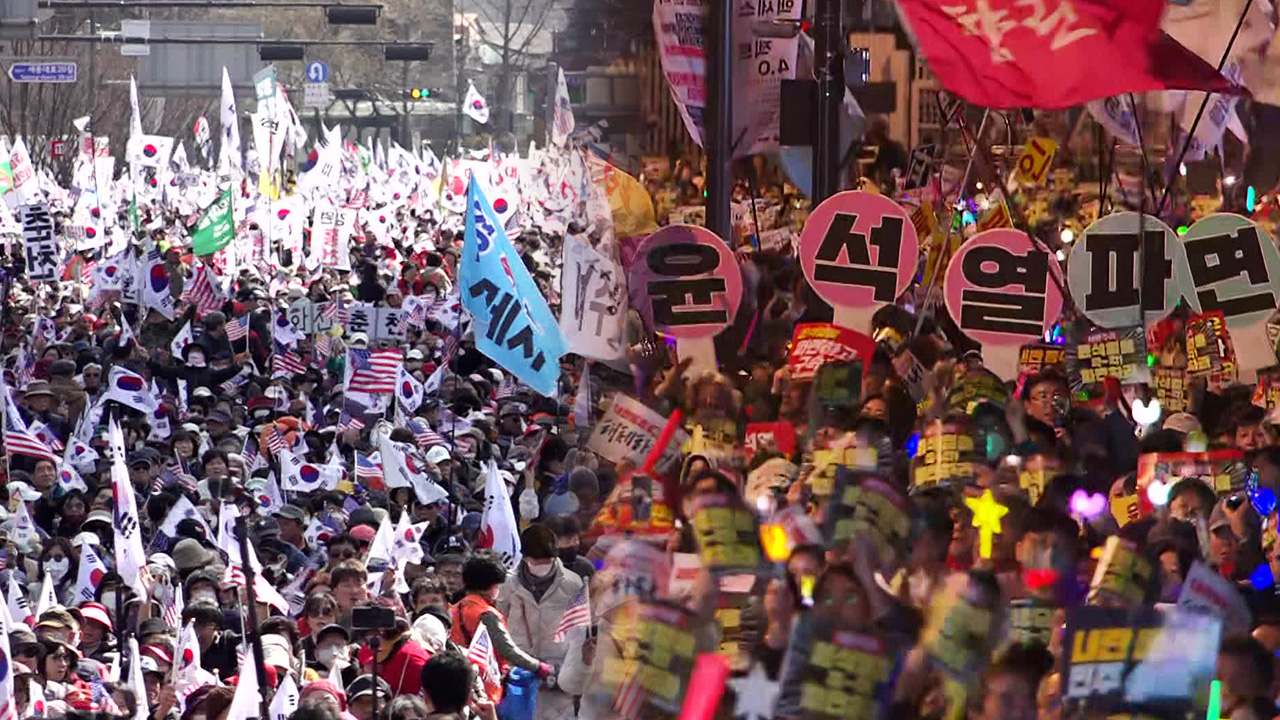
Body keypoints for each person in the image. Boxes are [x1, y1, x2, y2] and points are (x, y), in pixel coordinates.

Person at [449, 551, 553, 698]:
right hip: (484, 686)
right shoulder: (486, 614)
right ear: (494, 585)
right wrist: (539, 667)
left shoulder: (455, 609)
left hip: (458, 681)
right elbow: (507, 650)